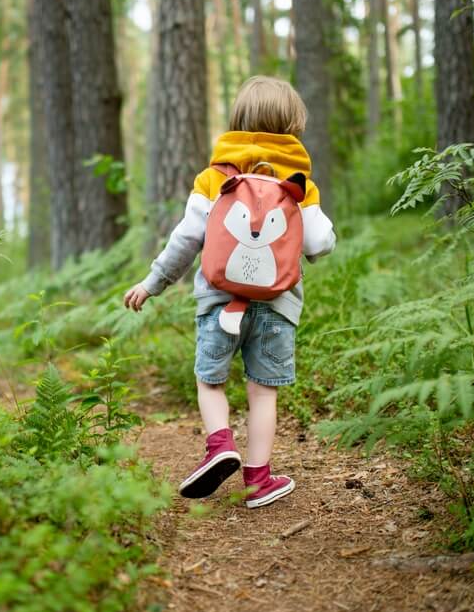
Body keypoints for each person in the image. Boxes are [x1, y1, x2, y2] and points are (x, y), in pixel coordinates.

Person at [123, 76, 336, 509]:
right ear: (292, 127)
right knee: (263, 390)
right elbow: (318, 245)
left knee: (210, 380)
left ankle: (220, 444)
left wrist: (153, 283)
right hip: (277, 306)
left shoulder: (213, 178)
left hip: (218, 303)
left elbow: (185, 240)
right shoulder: (299, 183)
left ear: (238, 122)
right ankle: (258, 481)